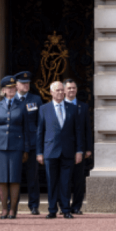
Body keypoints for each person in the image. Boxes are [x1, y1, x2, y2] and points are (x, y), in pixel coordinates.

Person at [36, 81, 85, 219]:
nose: (60, 92)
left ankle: (65, 209)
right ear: (51, 92)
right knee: (51, 182)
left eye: (61, 90)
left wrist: (79, 151)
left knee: (65, 182)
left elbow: (78, 132)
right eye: (56, 90)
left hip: (68, 151)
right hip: (50, 150)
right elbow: (40, 132)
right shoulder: (44, 109)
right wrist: (39, 152)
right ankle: (52, 209)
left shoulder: (72, 108)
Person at [0, 76, 29, 219]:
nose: (11, 90)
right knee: (2, 178)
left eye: (13, 88)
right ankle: (4, 208)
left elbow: (26, 129)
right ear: (3, 90)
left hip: (16, 146)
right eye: (8, 88)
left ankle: (13, 209)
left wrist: (26, 149)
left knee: (14, 178)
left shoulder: (22, 105)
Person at [15, 71, 43, 215]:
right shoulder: (11, 99)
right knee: (15, 176)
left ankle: (33, 205)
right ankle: (13, 204)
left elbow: (41, 123)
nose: (26, 85)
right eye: (23, 83)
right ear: (16, 85)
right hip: (16, 144)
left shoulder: (36, 99)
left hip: (32, 143)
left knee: (32, 176)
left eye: (28, 83)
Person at [64, 79, 93, 215]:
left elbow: (87, 129)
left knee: (78, 180)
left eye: (74, 88)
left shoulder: (83, 107)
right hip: (63, 149)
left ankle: (76, 206)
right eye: (69, 88)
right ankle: (64, 205)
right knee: (64, 179)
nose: (72, 90)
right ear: (64, 90)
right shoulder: (59, 106)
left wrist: (88, 149)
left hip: (79, 149)